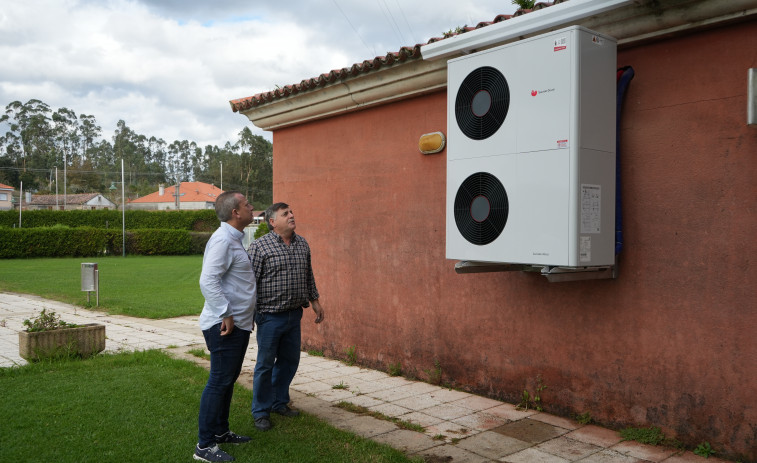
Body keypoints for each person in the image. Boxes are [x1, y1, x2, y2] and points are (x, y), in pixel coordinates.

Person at [248, 202, 324, 431]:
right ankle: (260, 411)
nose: (292, 216)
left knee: (289, 362)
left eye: (291, 212)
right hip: (270, 317)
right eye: (285, 214)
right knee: (265, 365)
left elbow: (308, 275)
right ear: (273, 222)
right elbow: (248, 283)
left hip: (294, 315)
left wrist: (315, 301)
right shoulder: (259, 247)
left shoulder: (302, 244)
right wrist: (247, 315)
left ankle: (279, 402)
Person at [194, 191, 256, 463]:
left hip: (238, 324)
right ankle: (204, 446)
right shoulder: (222, 240)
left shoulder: (233, 238)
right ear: (236, 213)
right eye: (247, 204)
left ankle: (220, 433)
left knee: (227, 381)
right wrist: (226, 313)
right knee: (219, 382)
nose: (252, 207)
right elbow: (208, 281)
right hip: (224, 326)